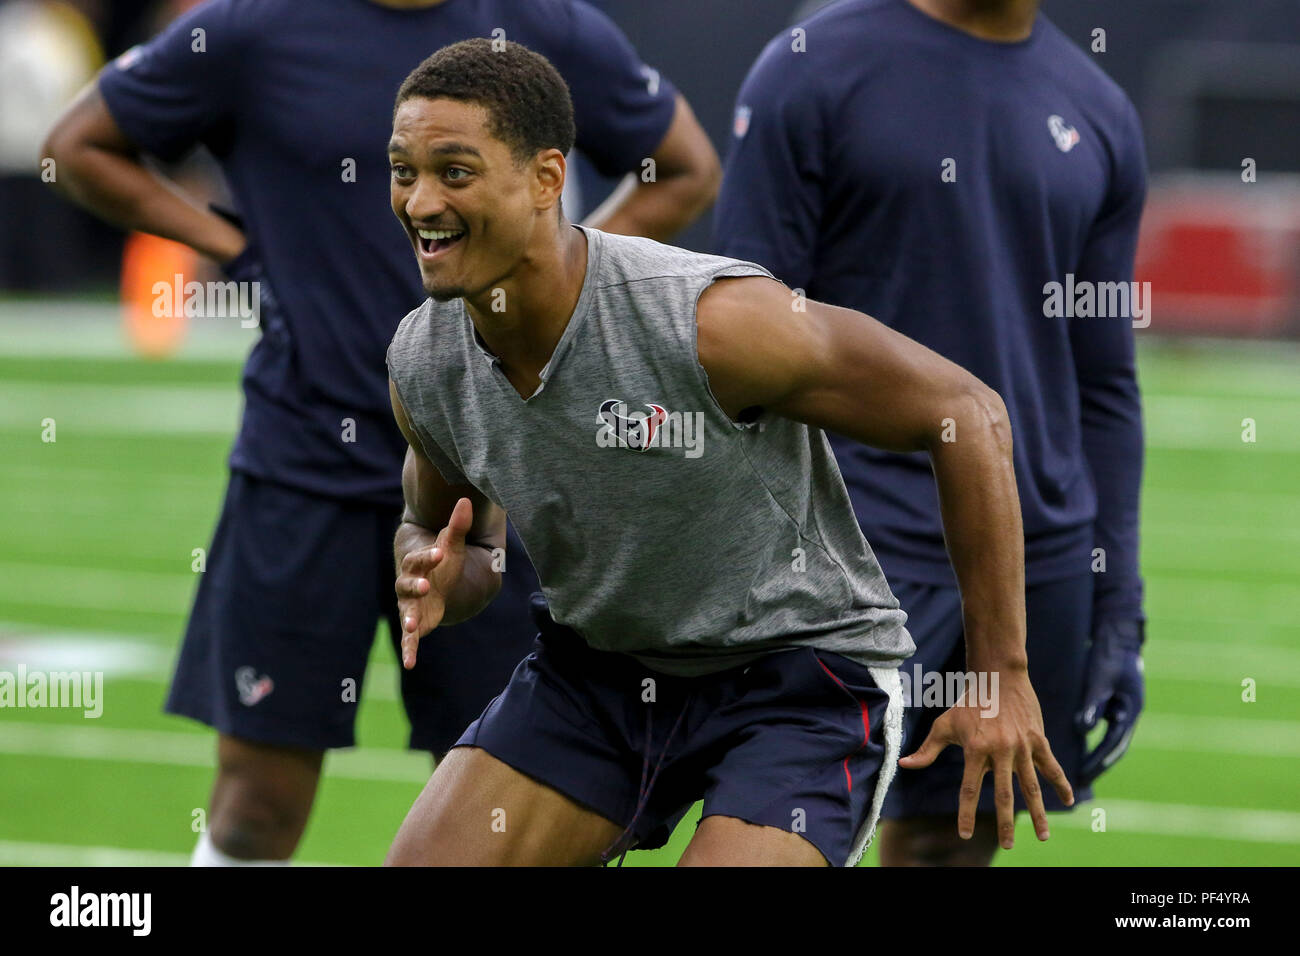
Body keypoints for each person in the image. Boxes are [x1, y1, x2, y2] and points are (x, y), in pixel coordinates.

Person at [42, 0, 721, 865]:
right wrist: (233, 246)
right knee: (255, 803)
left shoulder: (541, 22)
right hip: (302, 457)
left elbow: (686, 167)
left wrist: (557, 280)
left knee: (525, 801)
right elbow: (77, 147)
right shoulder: (251, 27)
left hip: (498, 466)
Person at [381, 38, 1072, 867]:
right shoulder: (425, 359)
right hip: (598, 673)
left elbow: (967, 412)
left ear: (545, 179)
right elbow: (456, 540)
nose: (420, 201)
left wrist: (1000, 674)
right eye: (401, 170)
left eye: (453, 172)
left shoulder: (707, 320)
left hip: (798, 678)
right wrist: (439, 575)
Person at [713, 0, 1146, 865]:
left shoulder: (1098, 107)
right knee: (779, 840)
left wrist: (1118, 600)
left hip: (1035, 553)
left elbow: (1103, 382)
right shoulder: (813, 65)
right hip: (852, 550)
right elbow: (737, 344)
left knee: (951, 845)